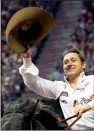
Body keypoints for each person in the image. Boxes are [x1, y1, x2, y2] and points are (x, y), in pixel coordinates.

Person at [19, 47, 94, 130]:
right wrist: (26, 59)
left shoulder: (92, 80)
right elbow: (33, 83)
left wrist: (88, 106)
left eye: (73, 60)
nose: (69, 64)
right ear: (63, 68)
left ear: (83, 64)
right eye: (66, 62)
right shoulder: (59, 87)